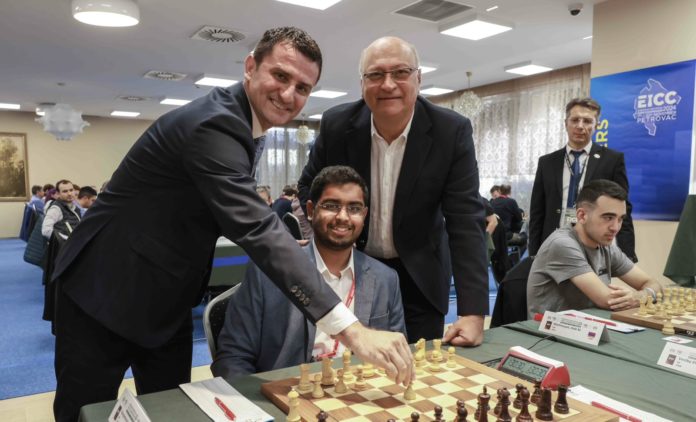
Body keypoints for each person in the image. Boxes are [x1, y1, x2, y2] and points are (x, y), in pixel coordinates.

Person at [50, 27, 411, 422]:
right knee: (83, 412)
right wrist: (352, 330)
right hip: (103, 291)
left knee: (171, 412)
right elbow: (256, 228)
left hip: (168, 299)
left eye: (303, 88)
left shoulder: (246, 127)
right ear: (250, 66)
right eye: (280, 76)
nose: (289, 94)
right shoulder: (215, 124)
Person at [298, 36, 488, 345]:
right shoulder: (337, 125)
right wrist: (325, 238)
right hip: (354, 268)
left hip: (421, 278)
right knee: (347, 360)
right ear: (362, 83)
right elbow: (309, 187)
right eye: (375, 74)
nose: (388, 85)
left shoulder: (450, 131)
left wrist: (473, 312)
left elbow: (465, 221)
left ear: (418, 78)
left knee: (419, 367)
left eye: (401, 72)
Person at [212, 166, 406, 379]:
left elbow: (396, 350)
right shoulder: (267, 272)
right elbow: (233, 357)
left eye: (354, 208)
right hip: (288, 391)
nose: (343, 217)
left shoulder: (386, 278)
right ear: (311, 210)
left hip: (358, 391)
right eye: (331, 206)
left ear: (364, 215)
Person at [527, 180, 662, 317]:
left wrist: (639, 296)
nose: (615, 227)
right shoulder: (562, 244)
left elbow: (654, 285)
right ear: (582, 216)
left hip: (588, 324)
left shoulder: (606, 246)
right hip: (548, 329)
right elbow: (609, 301)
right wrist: (643, 296)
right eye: (608, 217)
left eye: (620, 219)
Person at [529, 97, 636, 261]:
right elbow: (537, 211)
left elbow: (623, 208)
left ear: (596, 125)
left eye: (587, 121)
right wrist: (533, 252)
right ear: (566, 123)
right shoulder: (547, 162)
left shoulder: (612, 160)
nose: (580, 126)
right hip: (553, 243)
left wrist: (627, 253)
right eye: (575, 120)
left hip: (594, 246)